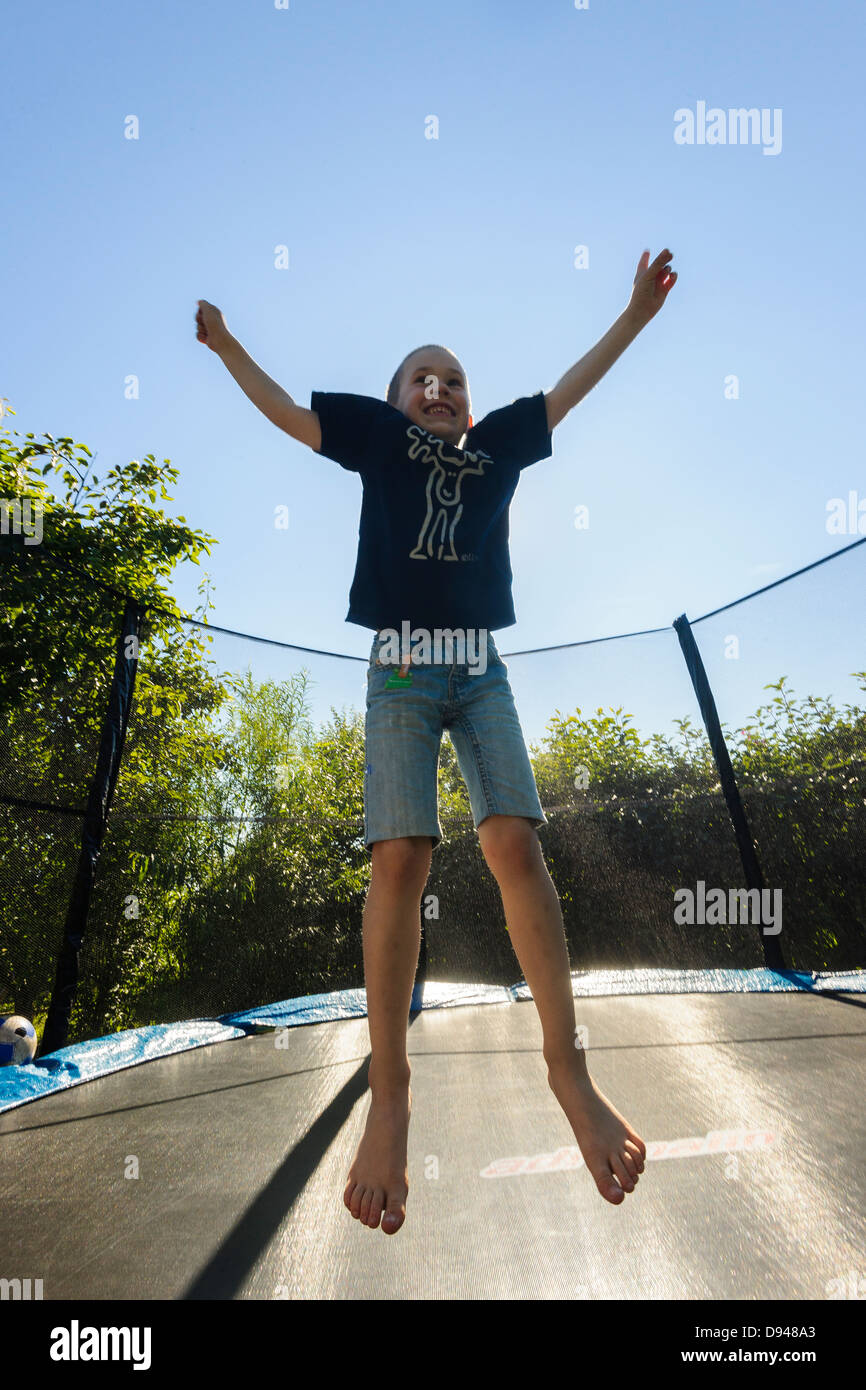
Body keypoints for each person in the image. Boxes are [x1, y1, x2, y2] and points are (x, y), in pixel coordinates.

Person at [195, 248, 677, 1235]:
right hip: (401, 670)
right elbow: (291, 415)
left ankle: (566, 1066)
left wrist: (633, 313)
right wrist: (228, 345)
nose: (438, 388)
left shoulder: (497, 443)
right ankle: (391, 1092)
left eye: (452, 379)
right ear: (394, 401)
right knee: (402, 853)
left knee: (511, 840)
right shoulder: (373, 437)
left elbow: (570, 390)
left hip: (478, 665)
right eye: (421, 378)